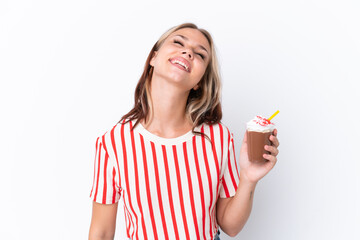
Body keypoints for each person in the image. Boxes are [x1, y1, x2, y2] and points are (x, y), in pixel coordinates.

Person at [88, 22, 280, 240]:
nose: (188, 52)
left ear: (199, 82)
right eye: (178, 42)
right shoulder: (113, 143)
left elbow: (231, 226)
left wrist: (248, 178)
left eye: (200, 54)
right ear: (153, 58)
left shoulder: (218, 137)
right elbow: (101, 232)